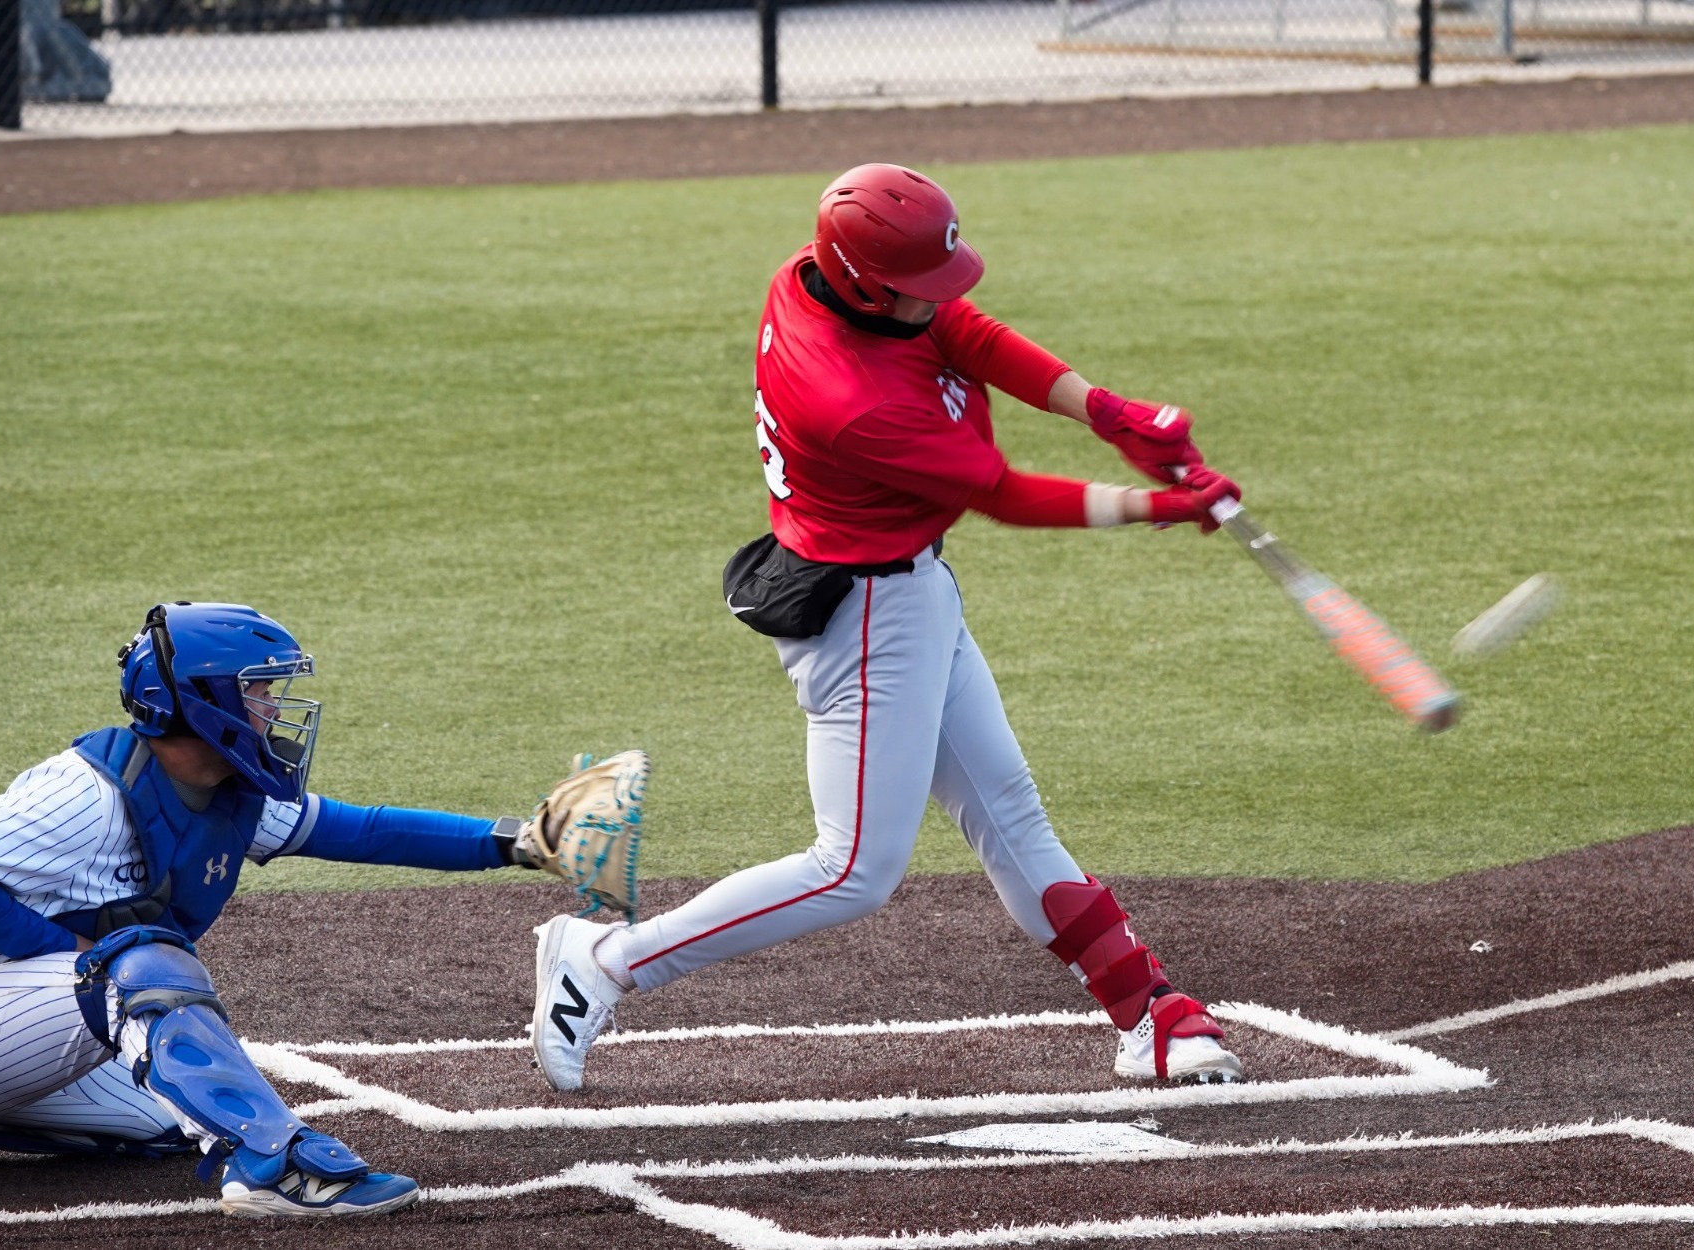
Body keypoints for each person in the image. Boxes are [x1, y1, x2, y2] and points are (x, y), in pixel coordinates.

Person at [531, 163, 1247, 1093]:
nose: (936, 301)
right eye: (916, 288)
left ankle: (1147, 1012)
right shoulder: (851, 400)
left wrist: (1107, 411)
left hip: (912, 592)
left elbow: (960, 325)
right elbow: (1005, 494)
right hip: (864, 619)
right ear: (868, 285)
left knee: (1007, 810)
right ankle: (606, 962)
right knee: (854, 869)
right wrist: (1159, 505)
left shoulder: (819, 274)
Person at [0, 601, 596, 1217]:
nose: (276, 708)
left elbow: (362, 831)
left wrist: (526, 842)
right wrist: (64, 954)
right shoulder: (82, 797)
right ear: (205, 700)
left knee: (178, 1113)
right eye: (259, 689)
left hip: (11, 1032)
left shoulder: (226, 794)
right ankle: (278, 1168)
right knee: (140, 965)